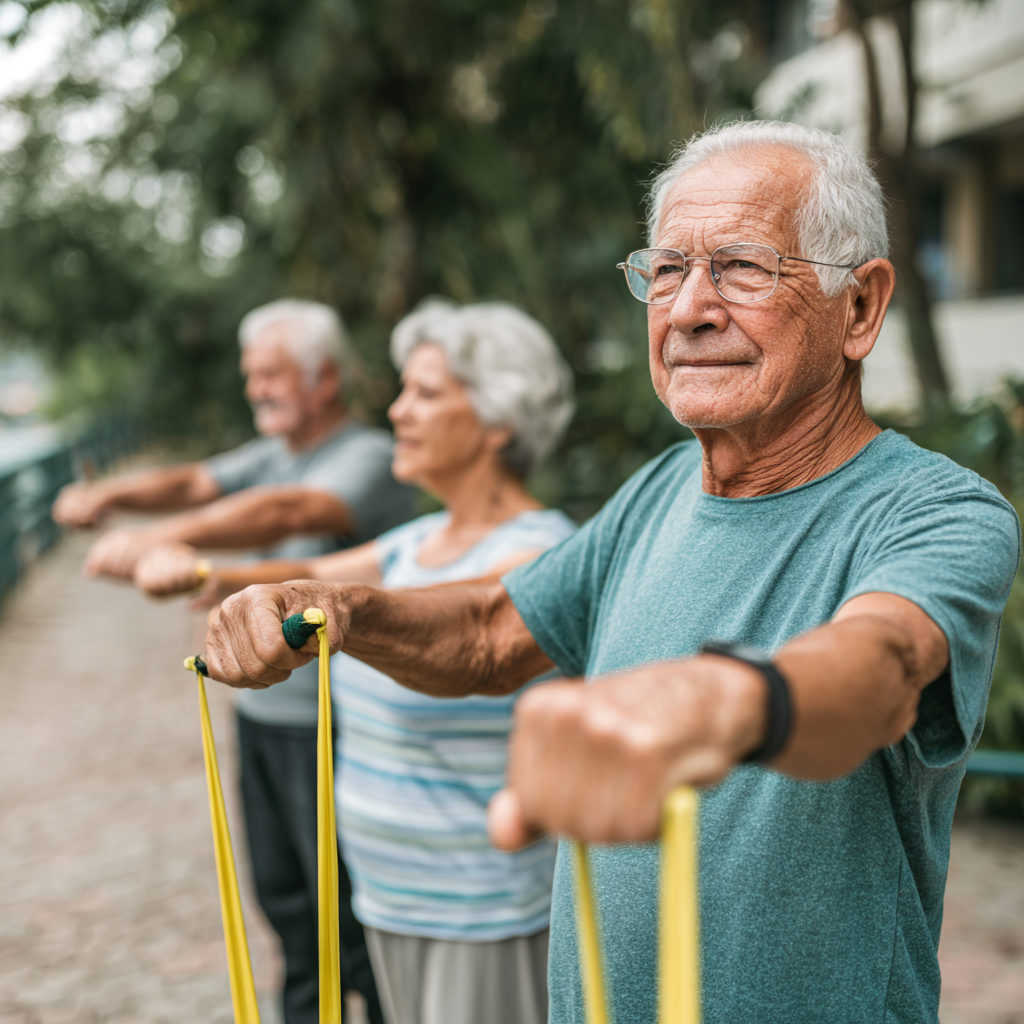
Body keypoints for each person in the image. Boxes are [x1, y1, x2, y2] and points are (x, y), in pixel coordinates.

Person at [199, 123, 1021, 1024]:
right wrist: (339, 610)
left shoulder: (937, 512)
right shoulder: (663, 487)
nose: (689, 309)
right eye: (666, 270)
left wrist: (724, 702)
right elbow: (487, 634)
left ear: (859, 308)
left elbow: (882, 665)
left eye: (743, 267)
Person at [134, 299, 577, 1024]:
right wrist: (196, 573)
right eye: (403, 389)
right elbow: (290, 576)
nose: (399, 411)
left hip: (482, 914)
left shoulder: (541, 549)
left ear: (500, 421)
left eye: (426, 393)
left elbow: (431, 612)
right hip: (385, 902)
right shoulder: (416, 538)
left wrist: (324, 606)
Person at [55, 299, 415, 1024]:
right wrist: (111, 495)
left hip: (340, 730)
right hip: (264, 722)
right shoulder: (272, 452)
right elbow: (194, 481)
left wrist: (166, 542)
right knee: (288, 911)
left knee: (351, 927)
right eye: (252, 376)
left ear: (325, 378)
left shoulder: (367, 455)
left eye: (273, 375)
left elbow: (287, 511)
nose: (257, 390)